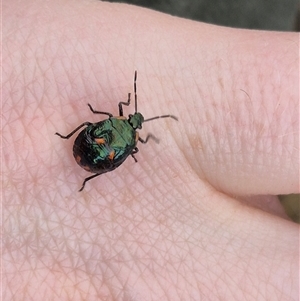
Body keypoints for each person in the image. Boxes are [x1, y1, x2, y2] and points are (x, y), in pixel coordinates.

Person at [3, 0, 299, 299]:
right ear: (128, 116)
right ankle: (84, 178)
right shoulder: (131, 139)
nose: (132, 117)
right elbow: (118, 159)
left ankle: (81, 168)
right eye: (132, 116)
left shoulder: (122, 129)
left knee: (88, 125)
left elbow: (106, 135)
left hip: (90, 148)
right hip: (96, 159)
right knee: (102, 152)